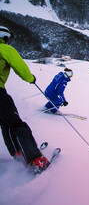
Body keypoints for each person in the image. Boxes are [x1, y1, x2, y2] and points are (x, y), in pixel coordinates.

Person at [0, 26, 49, 173]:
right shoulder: (5, 49)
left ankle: (18, 153)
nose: (9, 42)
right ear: (5, 37)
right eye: (9, 39)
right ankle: (36, 160)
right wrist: (31, 78)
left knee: (5, 122)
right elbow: (19, 66)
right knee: (17, 124)